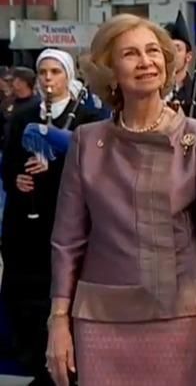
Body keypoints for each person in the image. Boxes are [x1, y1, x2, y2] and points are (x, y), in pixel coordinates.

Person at [45, 14, 196, 386]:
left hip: (183, 317)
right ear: (110, 71)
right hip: (101, 317)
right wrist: (58, 320)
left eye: (153, 51)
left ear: (167, 64)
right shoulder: (87, 142)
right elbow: (67, 242)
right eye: (130, 54)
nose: (146, 61)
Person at [0, 49, 101, 386]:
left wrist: (53, 165)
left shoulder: (84, 119)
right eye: (43, 72)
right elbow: (9, 161)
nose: (47, 79)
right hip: (23, 224)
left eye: (55, 72)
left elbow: (89, 170)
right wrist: (16, 177)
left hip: (60, 222)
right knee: (22, 300)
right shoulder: (22, 115)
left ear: (67, 76)